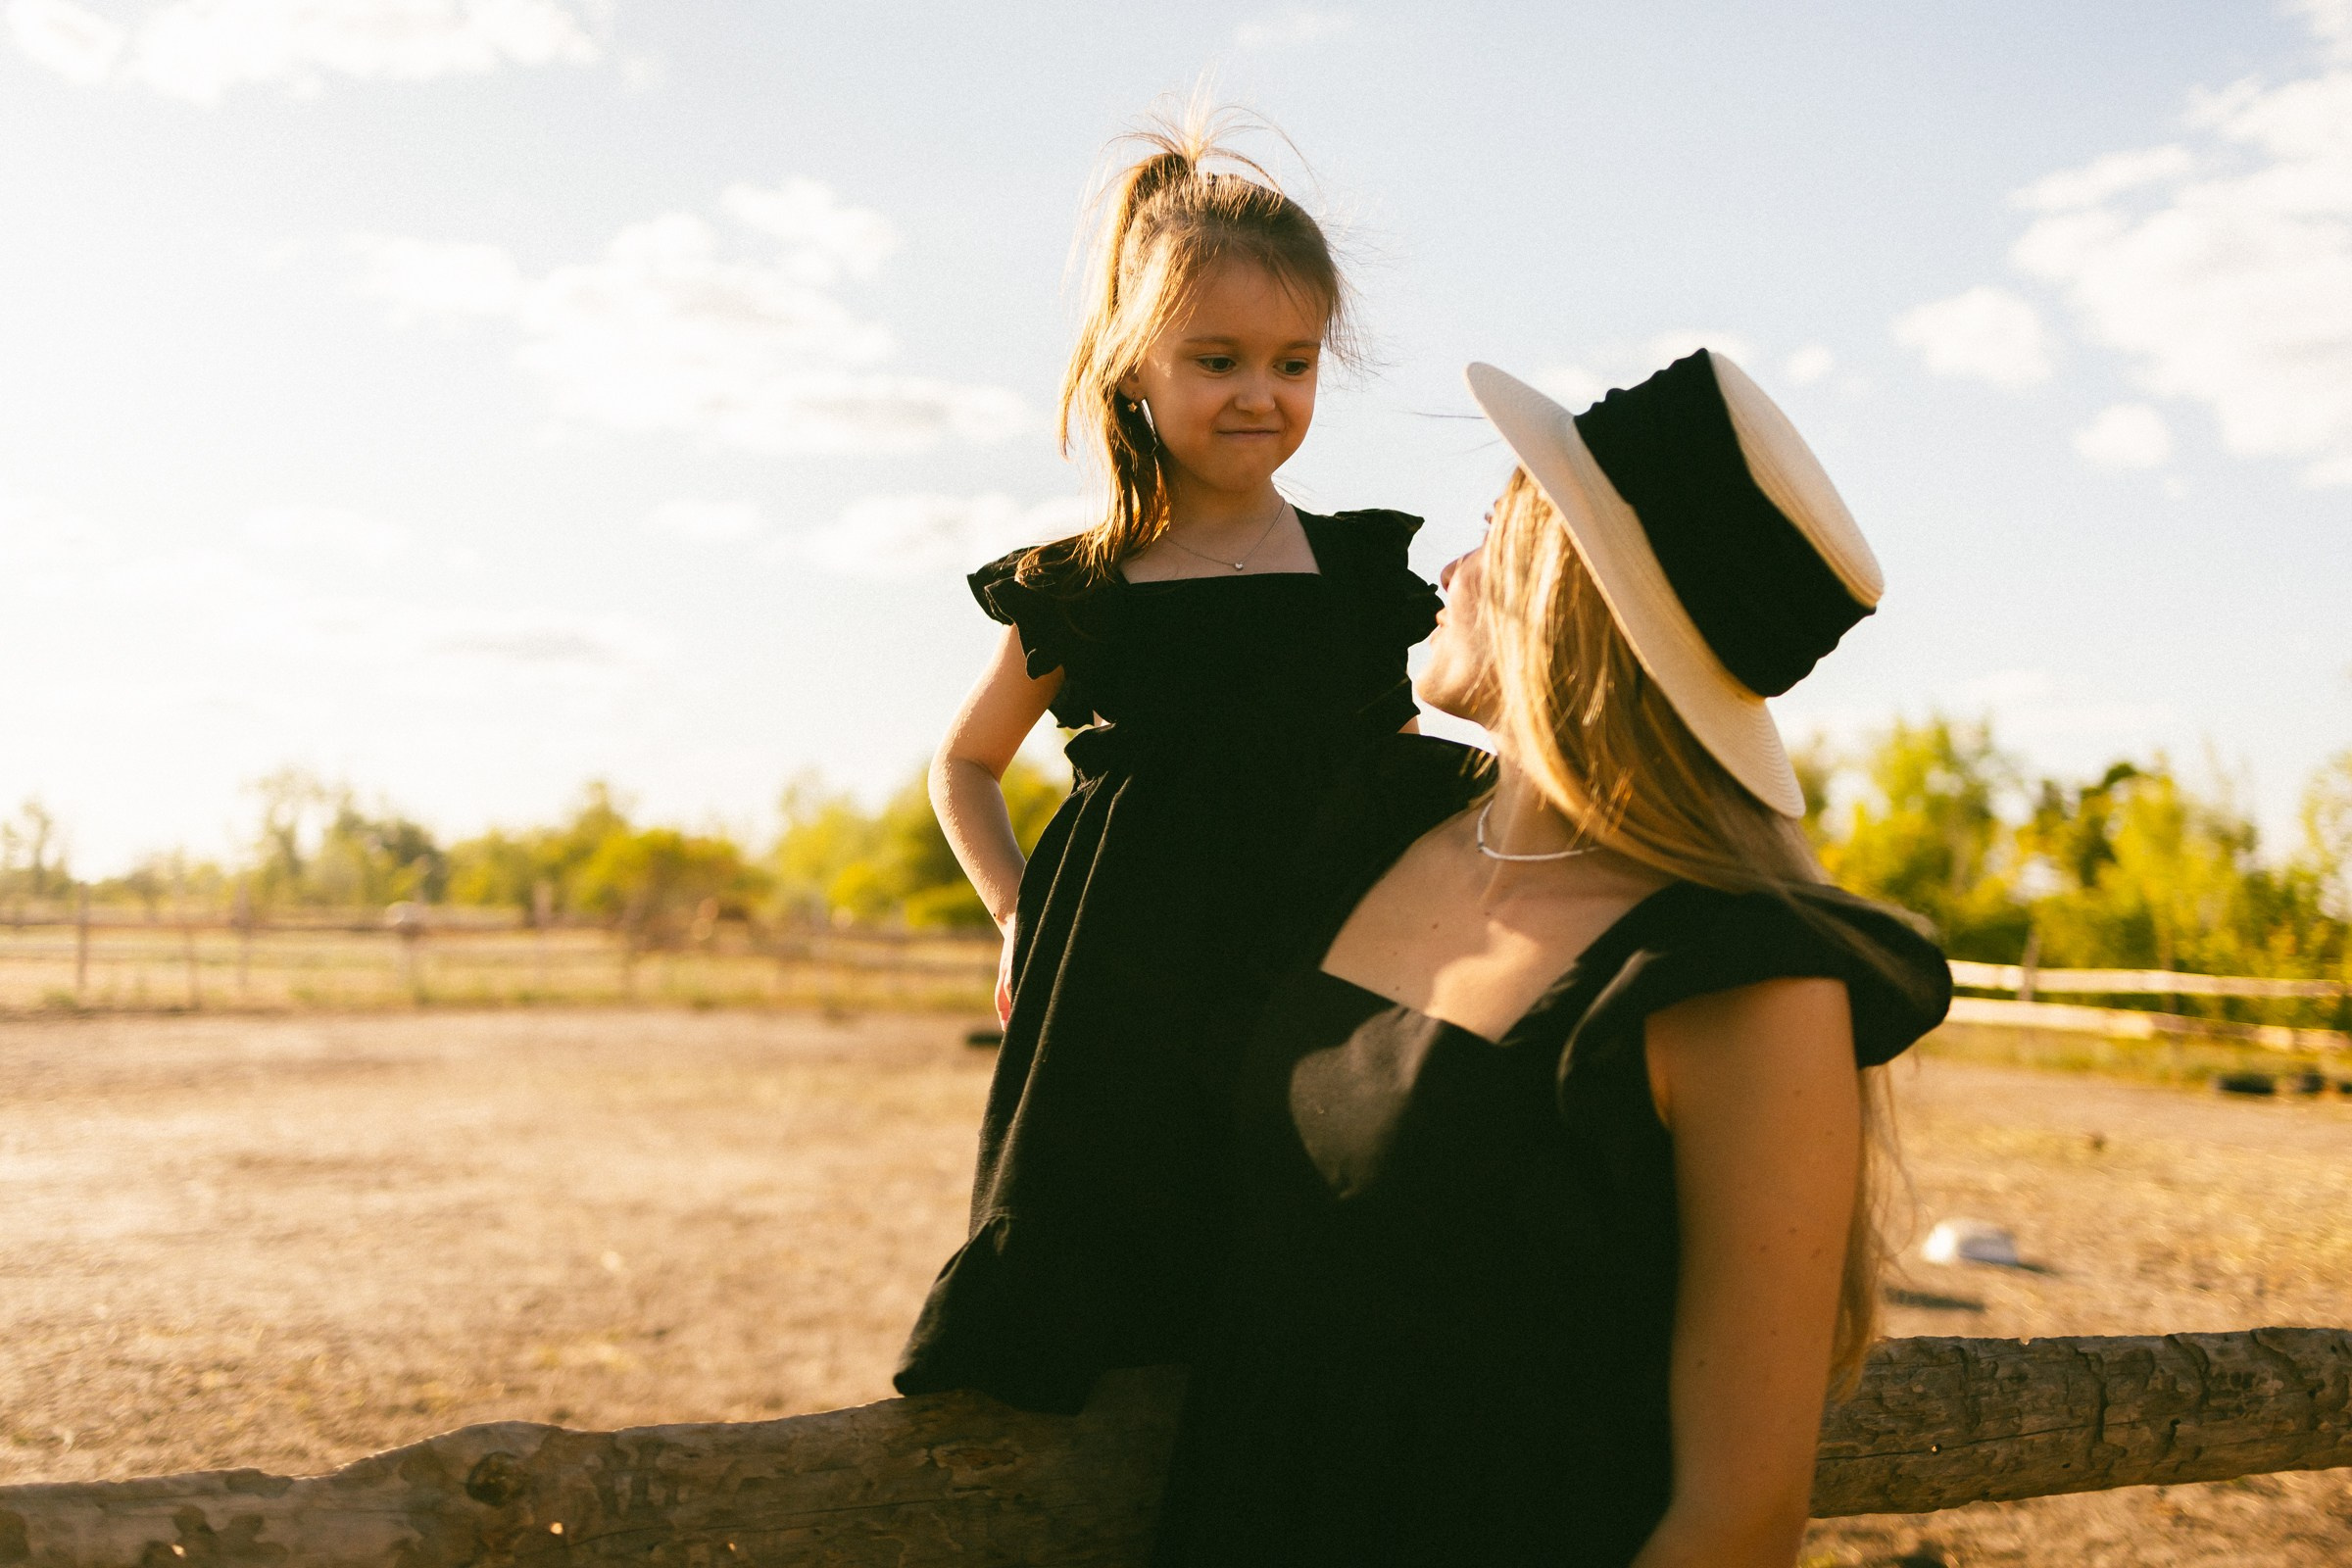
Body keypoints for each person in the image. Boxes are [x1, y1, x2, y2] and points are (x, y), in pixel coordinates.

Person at [1150, 349, 1954, 1567]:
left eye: (1486, 530)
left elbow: (1736, 1520)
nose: (1448, 567)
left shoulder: (1737, 976)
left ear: (1559, 584)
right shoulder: (1374, 823)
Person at [892, 114, 1443, 1415]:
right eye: (1218, 359)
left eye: (1293, 362)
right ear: (1133, 369)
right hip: (1121, 999)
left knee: (1295, 1292)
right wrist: (1019, 912)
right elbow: (964, 768)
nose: (1261, 393)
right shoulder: (1084, 591)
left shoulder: (1358, 579)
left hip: (1314, 982)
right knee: (1109, 1267)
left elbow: (1405, 781)